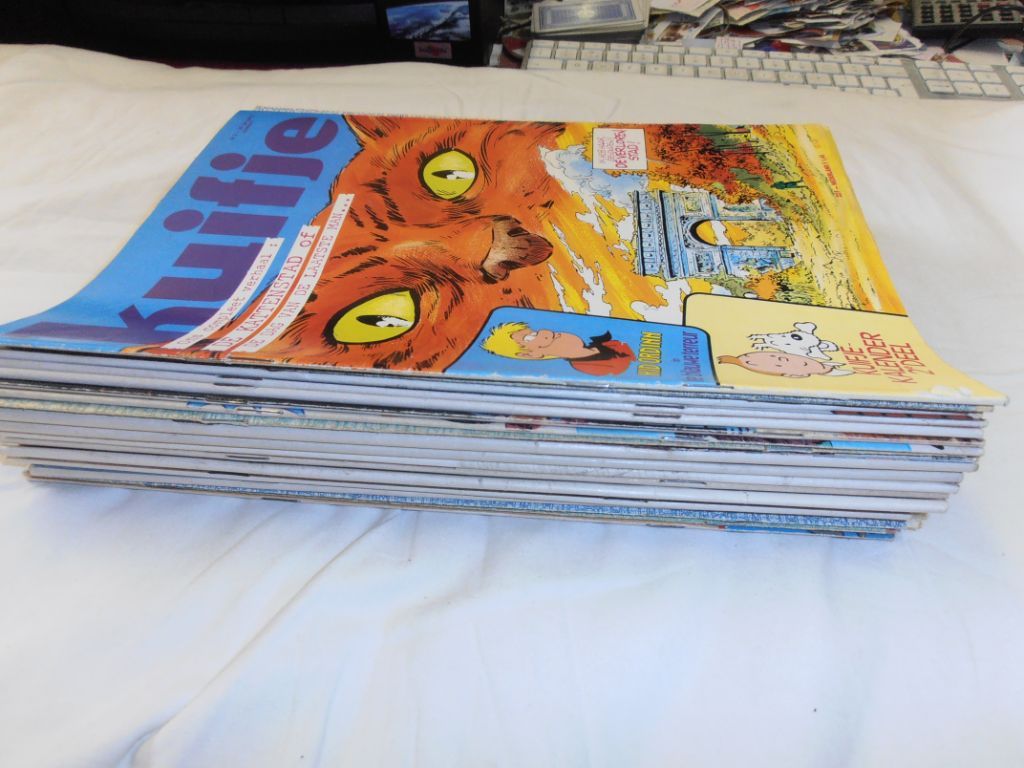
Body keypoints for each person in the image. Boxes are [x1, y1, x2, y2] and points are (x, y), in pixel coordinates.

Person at [483, 321, 635, 376]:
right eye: (530, 338)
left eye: (534, 331)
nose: (545, 331)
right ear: (532, 355)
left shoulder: (606, 341)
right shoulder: (589, 368)